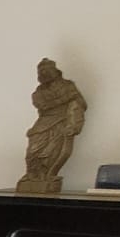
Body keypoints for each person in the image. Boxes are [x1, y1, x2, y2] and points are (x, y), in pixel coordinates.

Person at [17, 58, 86, 193]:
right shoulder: (38, 92)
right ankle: (31, 175)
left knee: (51, 152)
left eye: (47, 70)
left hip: (61, 122)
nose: (44, 73)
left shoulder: (68, 86)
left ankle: (45, 176)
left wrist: (74, 124)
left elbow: (80, 103)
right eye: (41, 71)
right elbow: (42, 105)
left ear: (54, 71)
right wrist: (65, 99)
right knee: (32, 152)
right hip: (43, 123)